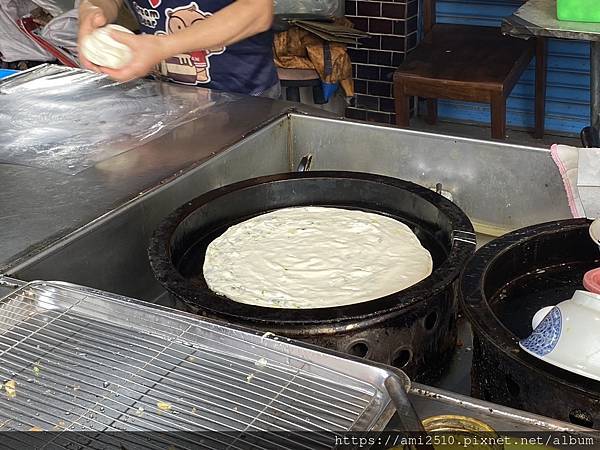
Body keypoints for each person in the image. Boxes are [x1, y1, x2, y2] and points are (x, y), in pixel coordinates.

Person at [77, 0, 280, 98]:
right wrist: (92, 9)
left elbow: (257, 10)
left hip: (243, 96)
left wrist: (164, 46)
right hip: (167, 93)